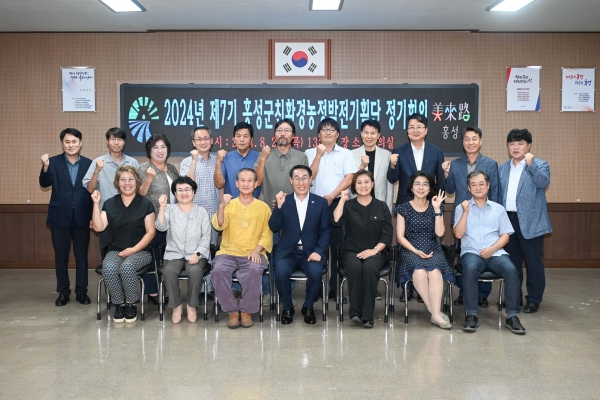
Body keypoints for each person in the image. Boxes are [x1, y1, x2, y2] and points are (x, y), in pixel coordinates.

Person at [454, 170, 526, 334]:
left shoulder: (498, 209)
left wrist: (492, 249)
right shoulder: (461, 208)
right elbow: (458, 234)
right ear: (469, 188)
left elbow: (505, 236)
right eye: (473, 185)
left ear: (488, 186)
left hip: (495, 252)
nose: (478, 188)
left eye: (481, 184)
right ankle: (471, 314)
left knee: (511, 270)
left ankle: (512, 316)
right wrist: (466, 212)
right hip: (471, 252)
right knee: (471, 268)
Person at [387, 112, 445, 302]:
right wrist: (392, 165)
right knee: (406, 246)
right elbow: (392, 179)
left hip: (428, 206)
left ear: (426, 130)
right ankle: (407, 287)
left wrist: (439, 204)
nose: (415, 130)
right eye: (411, 127)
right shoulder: (399, 151)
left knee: (429, 243)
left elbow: (439, 180)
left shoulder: (436, 151)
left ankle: (424, 287)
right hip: (406, 205)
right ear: (407, 131)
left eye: (419, 127)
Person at [443, 126, 499, 308]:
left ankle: (482, 295)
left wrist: (495, 218)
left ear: (480, 141)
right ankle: (464, 293)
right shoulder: (456, 164)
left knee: (484, 254)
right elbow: (450, 189)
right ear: (463, 142)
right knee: (462, 255)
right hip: (462, 217)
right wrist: (446, 174)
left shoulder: (490, 164)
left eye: (474, 139)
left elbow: (495, 193)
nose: (470, 142)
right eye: (467, 139)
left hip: (485, 218)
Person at [91, 165, 156, 323]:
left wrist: (134, 249)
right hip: (116, 250)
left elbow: (151, 232)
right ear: (117, 183)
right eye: (123, 180)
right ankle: (119, 304)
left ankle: (131, 304)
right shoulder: (110, 203)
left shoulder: (145, 203)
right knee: (109, 266)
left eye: (131, 179)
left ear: (137, 182)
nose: (127, 183)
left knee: (127, 267)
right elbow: (99, 227)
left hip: (141, 251)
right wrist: (95, 204)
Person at [255, 118, 309, 306]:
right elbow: (257, 181)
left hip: (292, 215)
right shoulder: (265, 154)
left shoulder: (301, 157)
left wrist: (285, 204)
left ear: (293, 136)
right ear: (274, 135)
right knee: (266, 253)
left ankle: (286, 292)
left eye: (287, 130)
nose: (283, 133)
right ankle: (267, 291)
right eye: (279, 130)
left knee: (288, 254)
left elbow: (304, 184)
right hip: (267, 213)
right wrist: (262, 158)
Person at [269, 165, 331, 325]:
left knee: (316, 273)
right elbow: (273, 227)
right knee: (280, 272)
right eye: (297, 178)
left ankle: (308, 307)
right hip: (288, 252)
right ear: (291, 181)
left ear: (311, 180)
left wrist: (319, 251)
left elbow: (325, 230)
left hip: (311, 252)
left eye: (305, 178)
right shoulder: (284, 201)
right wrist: (279, 207)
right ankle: (287, 307)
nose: (301, 182)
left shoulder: (321, 202)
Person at [211, 168, 273, 329]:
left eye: (250, 180)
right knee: (218, 270)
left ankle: (246, 311)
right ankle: (232, 311)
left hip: (253, 252)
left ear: (256, 183)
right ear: (237, 184)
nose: (246, 184)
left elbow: (267, 234)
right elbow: (219, 225)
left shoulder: (263, 207)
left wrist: (257, 250)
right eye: (242, 180)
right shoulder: (229, 204)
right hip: (228, 252)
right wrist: (222, 206)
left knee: (254, 269)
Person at [499, 129, 552, 314]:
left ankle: (534, 299)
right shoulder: (502, 168)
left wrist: (531, 165)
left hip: (531, 222)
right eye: (512, 143)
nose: (516, 147)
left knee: (533, 262)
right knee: (511, 263)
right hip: (508, 221)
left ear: (528, 146)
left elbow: (543, 183)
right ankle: (514, 297)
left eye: (520, 143)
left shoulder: (540, 164)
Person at [39, 128, 93, 306]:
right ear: (62, 144)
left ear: (80, 143)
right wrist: (45, 167)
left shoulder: (89, 164)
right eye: (67, 142)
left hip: (82, 216)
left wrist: (93, 215)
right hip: (59, 216)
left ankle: (81, 292)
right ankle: (63, 292)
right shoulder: (53, 162)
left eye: (74, 141)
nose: (71, 145)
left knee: (81, 256)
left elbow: (92, 190)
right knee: (60, 256)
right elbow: (44, 183)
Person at [305, 117, 357, 302]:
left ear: (338, 134)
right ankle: (316, 288)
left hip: (337, 204)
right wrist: (318, 156)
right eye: (324, 129)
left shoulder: (346, 154)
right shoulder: (309, 153)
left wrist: (332, 195)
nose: (328, 132)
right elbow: (308, 177)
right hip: (313, 205)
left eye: (331, 129)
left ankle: (335, 289)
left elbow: (349, 178)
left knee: (337, 248)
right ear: (318, 134)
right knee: (315, 247)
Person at [332, 170, 393, 328]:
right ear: (354, 186)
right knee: (354, 267)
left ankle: (367, 316)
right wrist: (342, 200)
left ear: (372, 184)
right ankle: (355, 312)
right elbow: (336, 221)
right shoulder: (349, 205)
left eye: (366, 182)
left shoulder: (382, 206)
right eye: (359, 182)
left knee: (369, 268)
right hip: (351, 251)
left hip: (376, 252)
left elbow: (387, 235)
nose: (363, 185)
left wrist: (374, 250)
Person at [395, 171, 453, 329]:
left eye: (425, 184)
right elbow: (400, 237)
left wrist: (437, 210)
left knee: (435, 272)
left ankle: (435, 314)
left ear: (430, 188)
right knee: (419, 272)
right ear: (411, 188)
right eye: (417, 184)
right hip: (410, 249)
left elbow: (440, 233)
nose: (421, 188)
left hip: (433, 248)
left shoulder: (436, 206)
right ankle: (435, 313)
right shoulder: (403, 208)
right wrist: (415, 251)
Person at [156, 176, 211, 324]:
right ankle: (176, 306)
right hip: (174, 253)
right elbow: (161, 227)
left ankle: (191, 306)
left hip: (196, 253)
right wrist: (162, 208)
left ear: (193, 192)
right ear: (175, 193)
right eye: (180, 190)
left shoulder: (201, 212)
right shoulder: (170, 209)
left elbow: (206, 237)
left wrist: (198, 253)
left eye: (187, 189)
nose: (184, 193)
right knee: (168, 271)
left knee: (195, 271)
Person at [180, 126, 221, 302]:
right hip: (193, 214)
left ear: (211, 140)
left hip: (213, 212)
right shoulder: (187, 162)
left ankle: (209, 288)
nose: (203, 142)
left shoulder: (218, 160)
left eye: (206, 138)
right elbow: (187, 185)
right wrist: (194, 161)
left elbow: (221, 185)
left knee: (210, 249)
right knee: (195, 251)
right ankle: (197, 289)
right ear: (193, 142)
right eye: (199, 139)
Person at [137, 134, 179, 304]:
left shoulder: (172, 168)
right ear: (149, 151)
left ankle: (166, 288)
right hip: (151, 220)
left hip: (172, 221)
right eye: (155, 147)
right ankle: (153, 293)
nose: (160, 150)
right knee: (151, 256)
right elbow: (139, 195)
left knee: (167, 257)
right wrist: (148, 179)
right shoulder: (143, 169)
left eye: (163, 147)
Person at [351, 120, 394, 213]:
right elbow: (349, 181)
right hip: (357, 205)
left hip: (379, 205)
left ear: (378, 135)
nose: (369, 136)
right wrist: (361, 167)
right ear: (361, 134)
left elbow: (389, 185)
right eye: (366, 133)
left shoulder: (387, 155)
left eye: (373, 133)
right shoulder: (351, 154)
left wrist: (388, 210)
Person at [214, 121, 261, 199]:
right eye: (238, 136)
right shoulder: (226, 157)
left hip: (254, 205)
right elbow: (219, 184)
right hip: (231, 204)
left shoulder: (259, 157)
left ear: (251, 140)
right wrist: (218, 161)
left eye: (245, 136)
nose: (241, 139)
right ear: (234, 139)